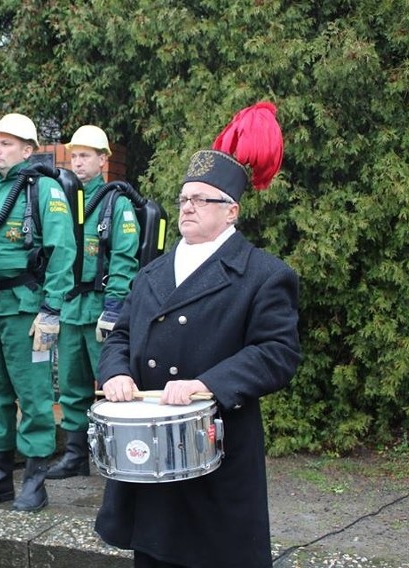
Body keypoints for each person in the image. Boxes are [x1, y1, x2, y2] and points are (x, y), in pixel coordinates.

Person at [94, 102, 301, 568]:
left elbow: (278, 353)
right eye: (184, 197)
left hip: (217, 448)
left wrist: (205, 384)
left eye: (201, 199)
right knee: (153, 555)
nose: (187, 206)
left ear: (231, 212)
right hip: (148, 455)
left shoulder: (265, 275)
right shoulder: (153, 273)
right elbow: (120, 336)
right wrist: (115, 373)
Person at [0, 112, 76, 512]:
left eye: (7, 143)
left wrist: (52, 308)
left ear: (28, 150)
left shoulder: (43, 189)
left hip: (27, 310)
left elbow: (63, 250)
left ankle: (34, 479)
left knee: (34, 395)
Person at [46, 125, 140, 479]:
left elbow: (125, 258)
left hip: (102, 309)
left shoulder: (118, 203)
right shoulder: (61, 201)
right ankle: (74, 455)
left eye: (86, 155)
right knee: (70, 387)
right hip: (70, 308)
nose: (78, 162)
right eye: (75, 155)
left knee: (112, 385)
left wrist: (115, 307)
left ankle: (120, 454)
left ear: (103, 160)